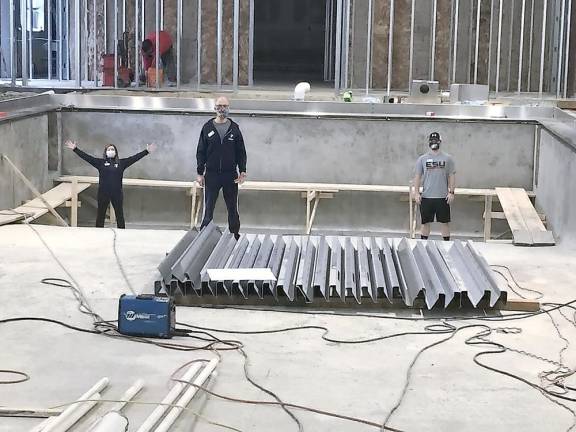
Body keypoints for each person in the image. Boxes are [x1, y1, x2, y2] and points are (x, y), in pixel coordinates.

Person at [65, 140, 156, 229]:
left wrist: (146, 151)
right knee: (100, 215)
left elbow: (134, 158)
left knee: (119, 215)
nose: (111, 151)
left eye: (112, 149)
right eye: (109, 149)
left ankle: (122, 232)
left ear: (116, 152)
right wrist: (75, 149)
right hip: (103, 193)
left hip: (117, 193)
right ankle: (98, 233)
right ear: (105, 152)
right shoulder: (100, 163)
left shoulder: (121, 163)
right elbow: (87, 157)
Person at [196, 96, 247, 240]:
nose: (222, 109)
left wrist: (242, 171)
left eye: (225, 106)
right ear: (215, 108)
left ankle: (234, 235)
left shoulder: (234, 129)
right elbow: (201, 151)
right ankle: (203, 237)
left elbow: (241, 152)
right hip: (211, 175)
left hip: (230, 175)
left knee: (232, 208)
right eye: (219, 106)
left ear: (228, 108)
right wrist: (200, 173)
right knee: (208, 208)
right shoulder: (207, 128)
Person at [413, 132, 456, 241]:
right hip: (427, 197)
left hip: (442, 197)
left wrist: (451, 192)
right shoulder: (422, 159)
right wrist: (417, 193)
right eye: (432, 141)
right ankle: (423, 244)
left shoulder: (448, 158)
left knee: (444, 223)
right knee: (425, 223)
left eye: (436, 141)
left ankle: (447, 245)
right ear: (429, 142)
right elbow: (417, 177)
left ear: (440, 142)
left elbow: (451, 176)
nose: (434, 143)